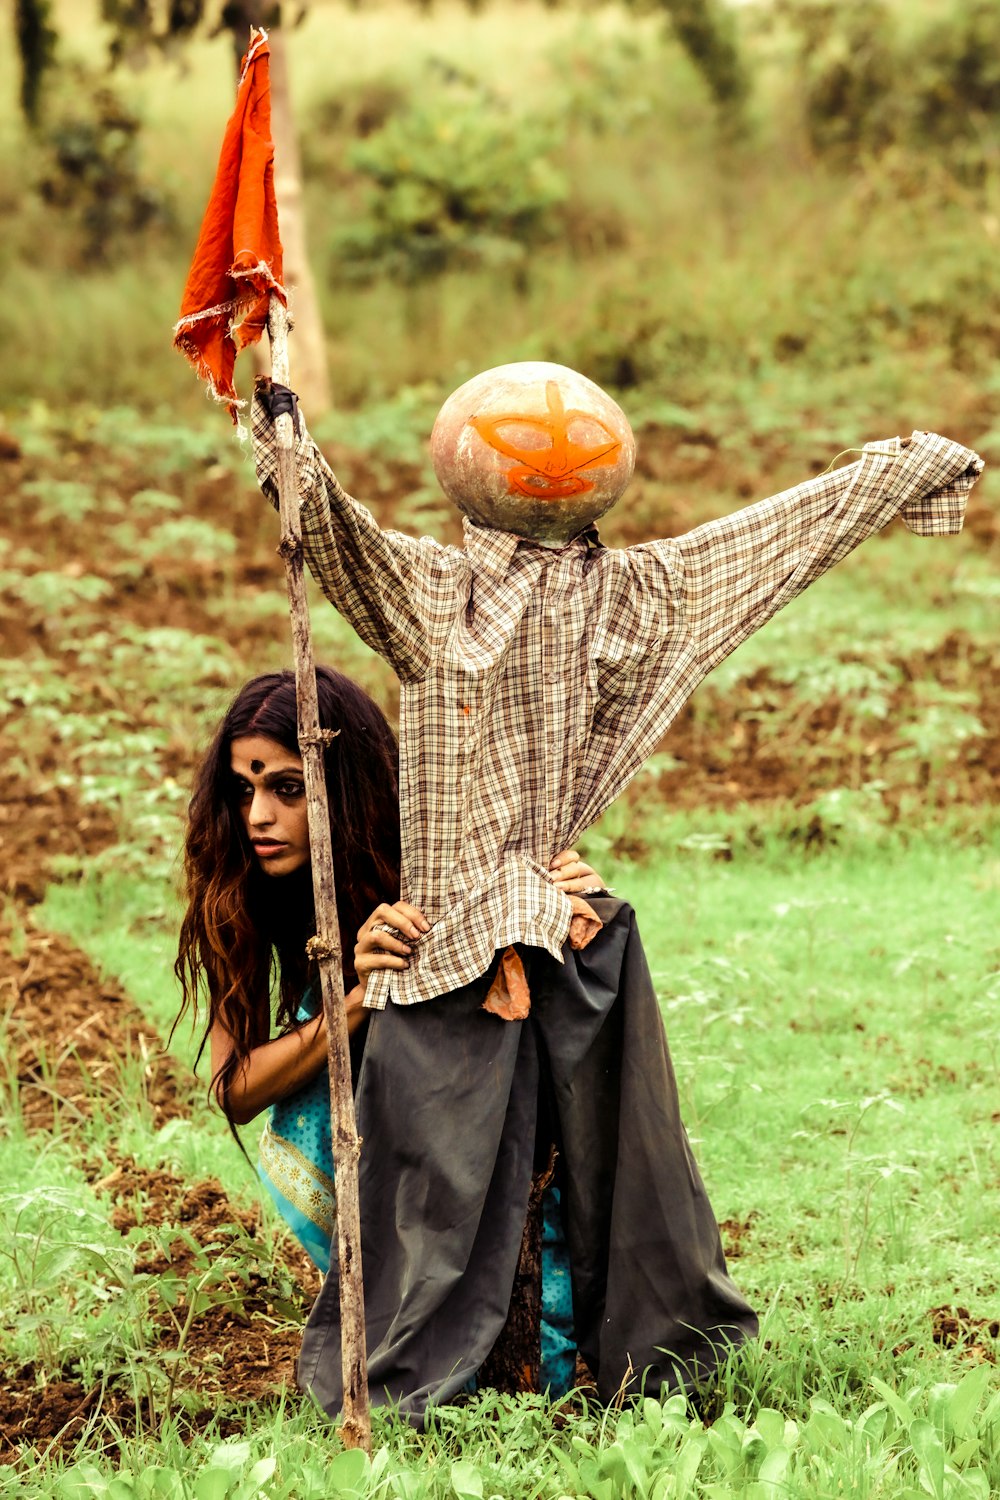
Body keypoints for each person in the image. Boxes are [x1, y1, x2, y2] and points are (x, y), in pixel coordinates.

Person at [248, 363, 982, 1421]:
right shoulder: (648, 594)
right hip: (569, 931)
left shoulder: (435, 592)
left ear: (461, 469)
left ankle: (410, 1392)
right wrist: (901, 472)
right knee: (622, 1179)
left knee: (436, 1198)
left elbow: (333, 532)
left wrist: (282, 434)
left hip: (452, 947)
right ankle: (633, 1369)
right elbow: (775, 543)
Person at [173, 665, 625, 1394]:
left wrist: (562, 898)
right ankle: (388, 1295)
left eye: (288, 789)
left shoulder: (432, 856)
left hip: (481, 1115)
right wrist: (355, 1001)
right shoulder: (238, 882)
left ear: (343, 789)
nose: (257, 814)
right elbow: (236, 1089)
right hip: (369, 1113)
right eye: (243, 789)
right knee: (312, 1088)